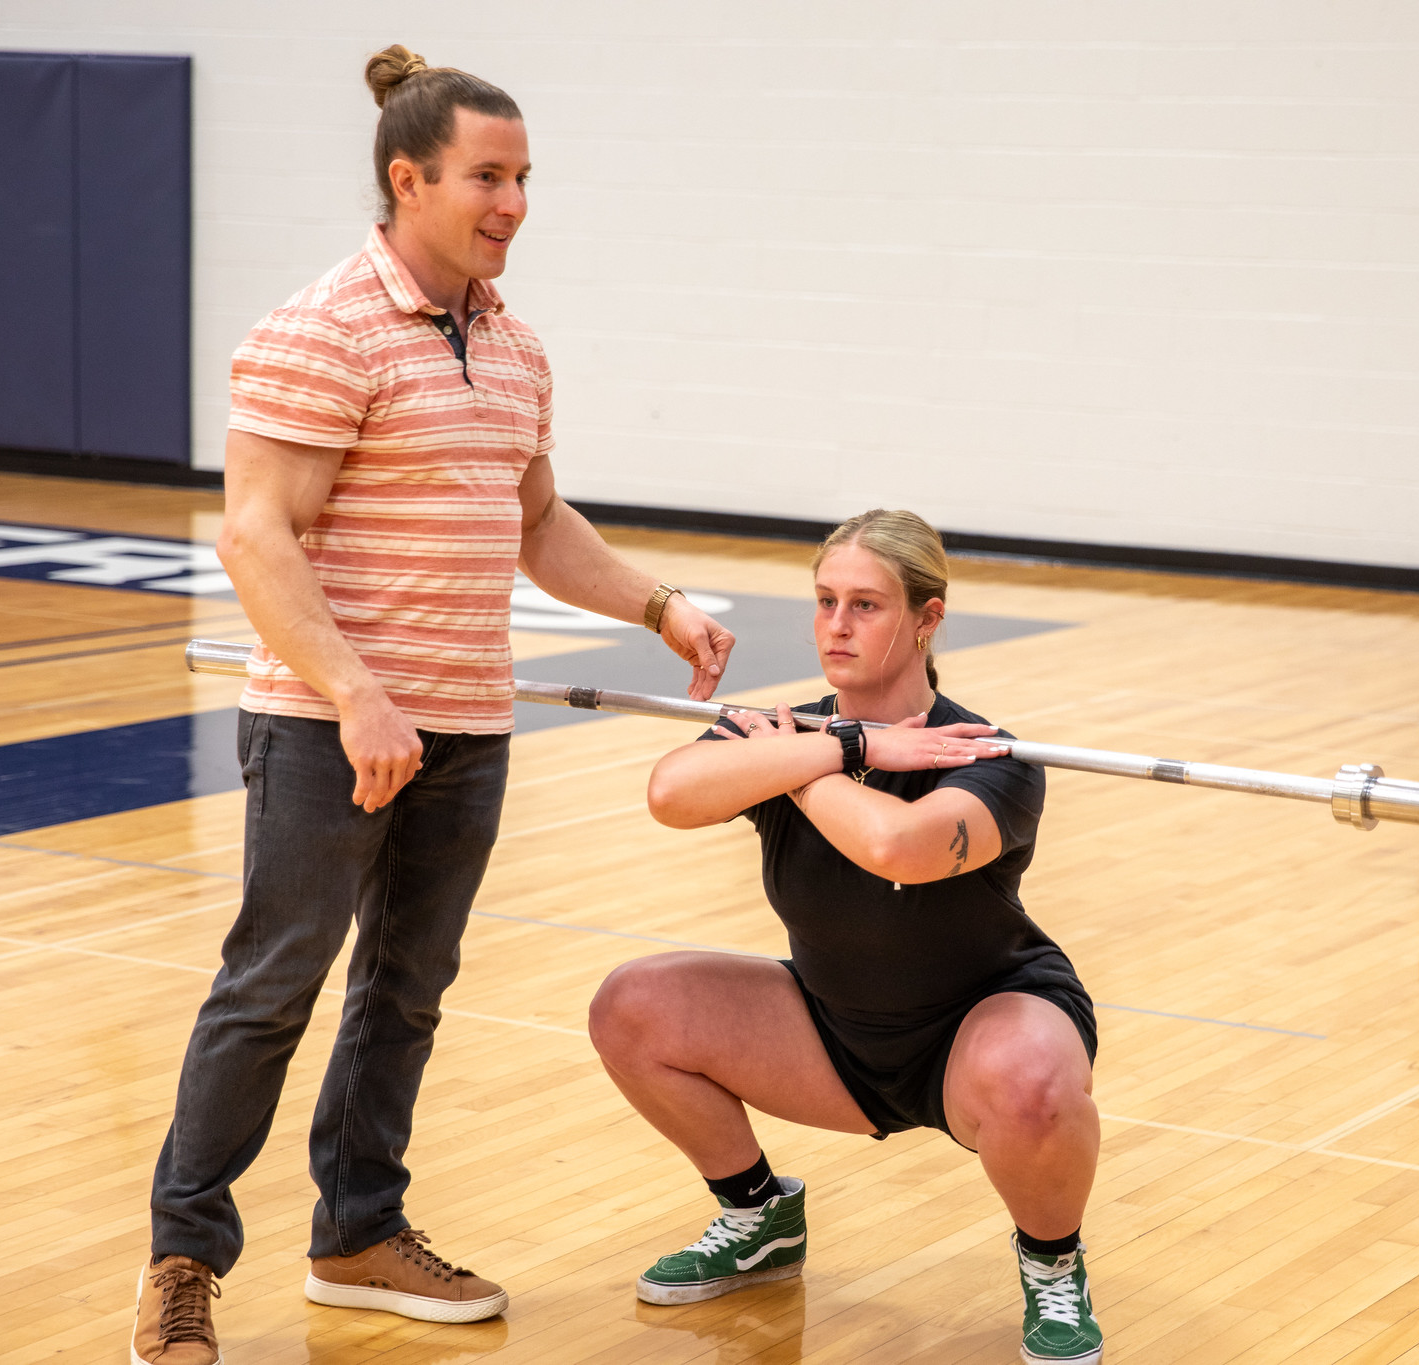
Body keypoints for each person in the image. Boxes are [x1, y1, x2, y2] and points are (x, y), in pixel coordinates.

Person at [132, 45, 736, 1365]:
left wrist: (657, 606)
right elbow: (255, 538)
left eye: (524, 178)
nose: (513, 202)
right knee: (273, 986)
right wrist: (355, 695)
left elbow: (536, 520)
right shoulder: (320, 330)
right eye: (487, 177)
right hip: (327, 731)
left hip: (465, 731)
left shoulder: (513, 347)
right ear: (408, 180)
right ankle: (184, 1258)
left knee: (404, 992)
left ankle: (357, 1229)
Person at [589, 510, 1106, 1365]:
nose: (836, 624)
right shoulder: (793, 734)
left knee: (1035, 1082)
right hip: (833, 1031)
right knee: (632, 1006)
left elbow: (895, 846)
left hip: (980, 1032)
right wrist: (849, 745)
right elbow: (672, 791)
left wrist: (796, 764)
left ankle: (1054, 1264)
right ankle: (758, 1217)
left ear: (927, 618)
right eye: (826, 599)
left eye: (866, 604)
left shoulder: (989, 754)